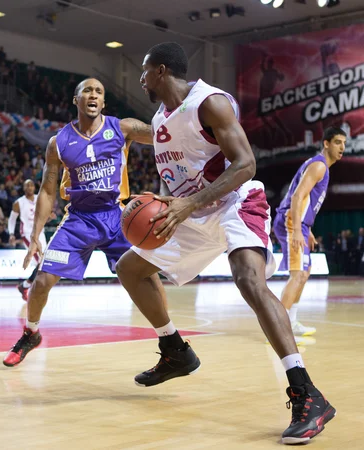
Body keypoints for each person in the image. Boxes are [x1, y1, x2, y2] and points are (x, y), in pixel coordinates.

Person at [115, 42, 334, 444]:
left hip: (236, 202)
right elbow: (179, 167)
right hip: (192, 212)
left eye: (144, 71)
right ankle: (176, 350)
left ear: (161, 70)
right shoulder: (161, 116)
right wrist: (169, 201)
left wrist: (188, 204)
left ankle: (307, 393)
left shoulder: (209, 103)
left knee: (249, 280)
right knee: (129, 268)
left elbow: (245, 163)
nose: (140, 78)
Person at [2, 77, 166, 367]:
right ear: (76, 101)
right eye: (87, 91)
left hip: (117, 217)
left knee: (149, 279)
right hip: (79, 218)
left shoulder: (122, 128)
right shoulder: (59, 142)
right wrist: (35, 235)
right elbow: (48, 189)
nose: (93, 95)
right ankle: (31, 333)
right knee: (40, 283)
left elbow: (162, 135)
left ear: (103, 102)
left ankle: (169, 340)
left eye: (99, 92)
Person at [273, 127, 345, 336]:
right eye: (338, 142)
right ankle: (277, 330)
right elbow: (297, 197)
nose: (342, 147)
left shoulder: (321, 167)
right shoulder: (319, 166)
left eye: (344, 143)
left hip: (300, 224)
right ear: (326, 143)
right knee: (297, 276)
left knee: (304, 274)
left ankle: (292, 322)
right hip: (290, 221)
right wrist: (296, 229)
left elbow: (306, 202)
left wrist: (307, 229)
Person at [8, 179, 48, 301]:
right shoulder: (18, 203)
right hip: (28, 234)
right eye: (27, 185)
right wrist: (11, 234)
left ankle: (25, 286)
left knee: (44, 263)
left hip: (41, 233)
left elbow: (45, 214)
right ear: (24, 188)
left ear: (34, 187)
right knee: (42, 263)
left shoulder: (40, 198)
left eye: (31, 185)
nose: (30, 187)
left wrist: (49, 216)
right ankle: (30, 288)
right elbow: (12, 220)